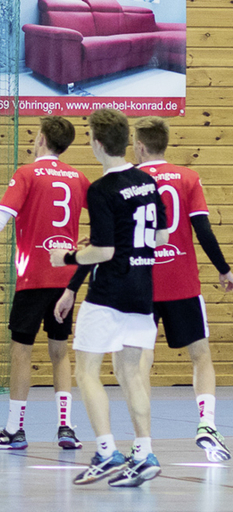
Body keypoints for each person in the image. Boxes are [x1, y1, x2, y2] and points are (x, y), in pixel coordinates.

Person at [0, 116, 88, 451]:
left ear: (41, 139)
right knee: (59, 351)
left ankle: (13, 430)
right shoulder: (79, 178)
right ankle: (65, 427)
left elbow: (0, 217)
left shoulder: (27, 174)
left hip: (34, 275)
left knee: (21, 351)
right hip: (65, 279)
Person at [51, 108, 168, 488]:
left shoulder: (101, 189)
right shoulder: (147, 182)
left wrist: (67, 257)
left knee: (86, 371)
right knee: (131, 373)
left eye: (88, 136)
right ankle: (145, 452)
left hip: (108, 292)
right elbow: (161, 237)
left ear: (98, 143)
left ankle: (106, 452)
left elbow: (102, 252)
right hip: (142, 290)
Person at [132, 117, 230, 462]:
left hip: (142, 283)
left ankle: (142, 443)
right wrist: (224, 269)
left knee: (142, 360)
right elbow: (202, 229)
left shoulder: (132, 180)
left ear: (141, 146)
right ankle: (206, 425)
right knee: (201, 355)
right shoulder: (188, 178)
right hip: (182, 281)